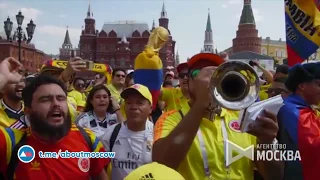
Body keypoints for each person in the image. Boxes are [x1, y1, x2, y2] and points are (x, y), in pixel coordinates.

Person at [153, 53, 283, 180]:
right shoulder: (169, 118)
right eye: (198, 73)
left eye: (216, 73)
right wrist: (200, 105)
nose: (208, 80)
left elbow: (274, 176)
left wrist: (267, 142)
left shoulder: (242, 118)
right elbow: (161, 166)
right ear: (189, 82)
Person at [0, 57, 110, 179]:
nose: (56, 104)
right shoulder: (10, 141)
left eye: (61, 98)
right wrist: (2, 78)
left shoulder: (88, 138)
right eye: (45, 99)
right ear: (28, 111)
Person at [101, 84, 154, 180]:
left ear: (150, 108)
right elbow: (100, 168)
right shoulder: (111, 134)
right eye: (129, 103)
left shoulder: (158, 135)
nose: (133, 107)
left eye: (140, 103)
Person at [277, 62, 320, 180]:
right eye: (319, 85)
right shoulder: (293, 111)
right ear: (302, 86)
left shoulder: (301, 109)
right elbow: (313, 146)